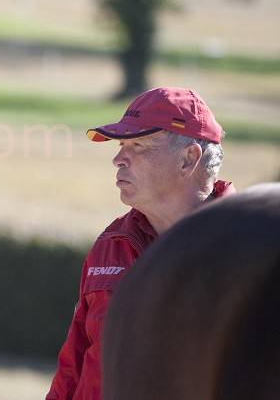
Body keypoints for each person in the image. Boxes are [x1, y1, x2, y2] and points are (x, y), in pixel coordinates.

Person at [46, 87, 235, 400]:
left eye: (138, 145)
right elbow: (72, 370)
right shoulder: (111, 245)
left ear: (189, 159)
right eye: (122, 145)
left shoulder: (248, 251)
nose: (118, 159)